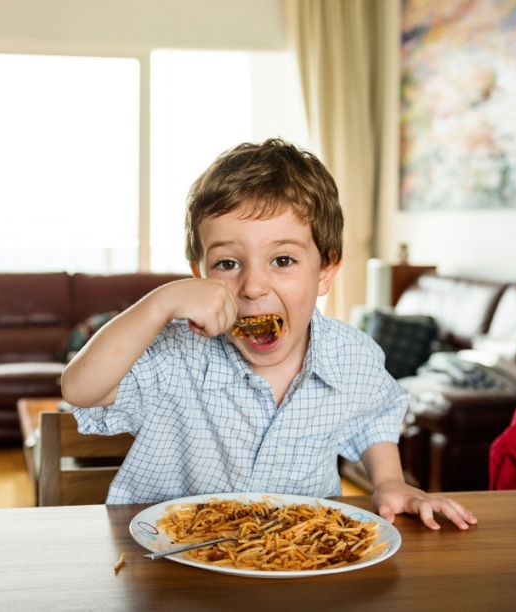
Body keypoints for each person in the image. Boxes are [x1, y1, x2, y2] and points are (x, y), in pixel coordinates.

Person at [61, 138, 476, 530]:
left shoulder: (352, 355)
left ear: (326, 270)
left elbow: (374, 418)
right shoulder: (176, 352)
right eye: (227, 264)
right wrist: (160, 305)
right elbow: (80, 389)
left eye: (282, 259)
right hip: (167, 563)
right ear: (199, 274)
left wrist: (389, 482)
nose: (253, 286)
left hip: (295, 562)